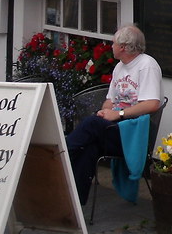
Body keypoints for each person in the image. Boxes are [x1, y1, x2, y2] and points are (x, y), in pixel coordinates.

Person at [65, 24, 163, 205]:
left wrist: (120, 114)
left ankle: (61, 154)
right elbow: (110, 100)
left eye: (113, 43)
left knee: (92, 124)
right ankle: (74, 203)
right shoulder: (119, 67)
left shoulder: (147, 65)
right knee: (89, 148)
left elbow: (152, 104)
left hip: (132, 133)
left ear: (124, 47)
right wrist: (105, 110)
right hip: (114, 129)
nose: (111, 46)